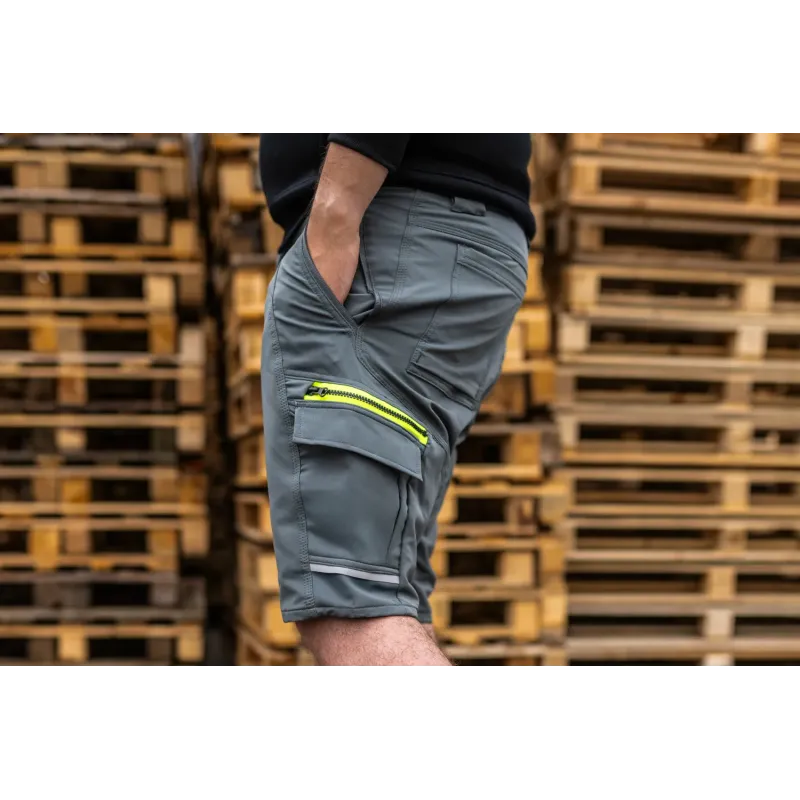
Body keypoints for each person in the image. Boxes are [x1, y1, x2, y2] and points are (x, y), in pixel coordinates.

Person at [259, 129, 536, 667]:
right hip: (441, 242)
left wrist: (335, 213)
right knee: (389, 588)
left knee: (349, 606)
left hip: (389, 235)